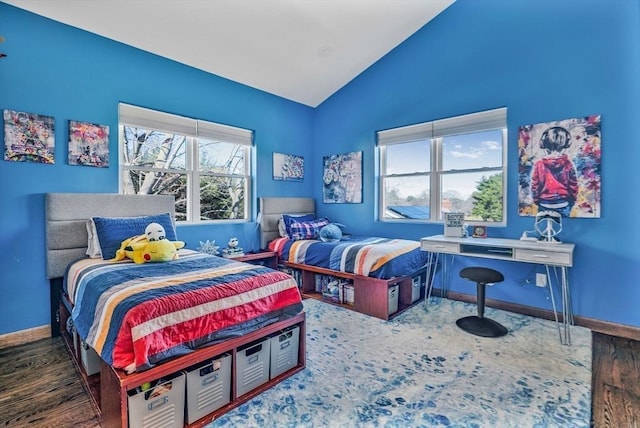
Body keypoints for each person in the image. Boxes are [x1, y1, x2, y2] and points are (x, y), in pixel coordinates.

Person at [530, 126, 578, 217]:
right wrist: (572, 201)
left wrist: (537, 200)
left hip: (544, 204)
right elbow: (573, 185)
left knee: (544, 230)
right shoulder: (568, 164)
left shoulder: (539, 164)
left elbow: (535, 186)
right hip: (563, 204)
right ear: (566, 144)